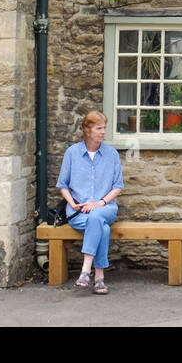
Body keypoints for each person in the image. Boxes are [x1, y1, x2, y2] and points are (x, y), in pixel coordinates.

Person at [56, 111, 124, 294]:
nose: (103, 132)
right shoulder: (72, 153)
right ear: (87, 130)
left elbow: (118, 186)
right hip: (78, 213)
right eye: (99, 128)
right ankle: (99, 277)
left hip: (106, 208)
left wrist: (100, 203)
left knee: (96, 216)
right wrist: (73, 204)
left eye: (104, 128)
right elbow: (62, 185)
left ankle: (86, 270)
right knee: (103, 228)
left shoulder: (112, 154)